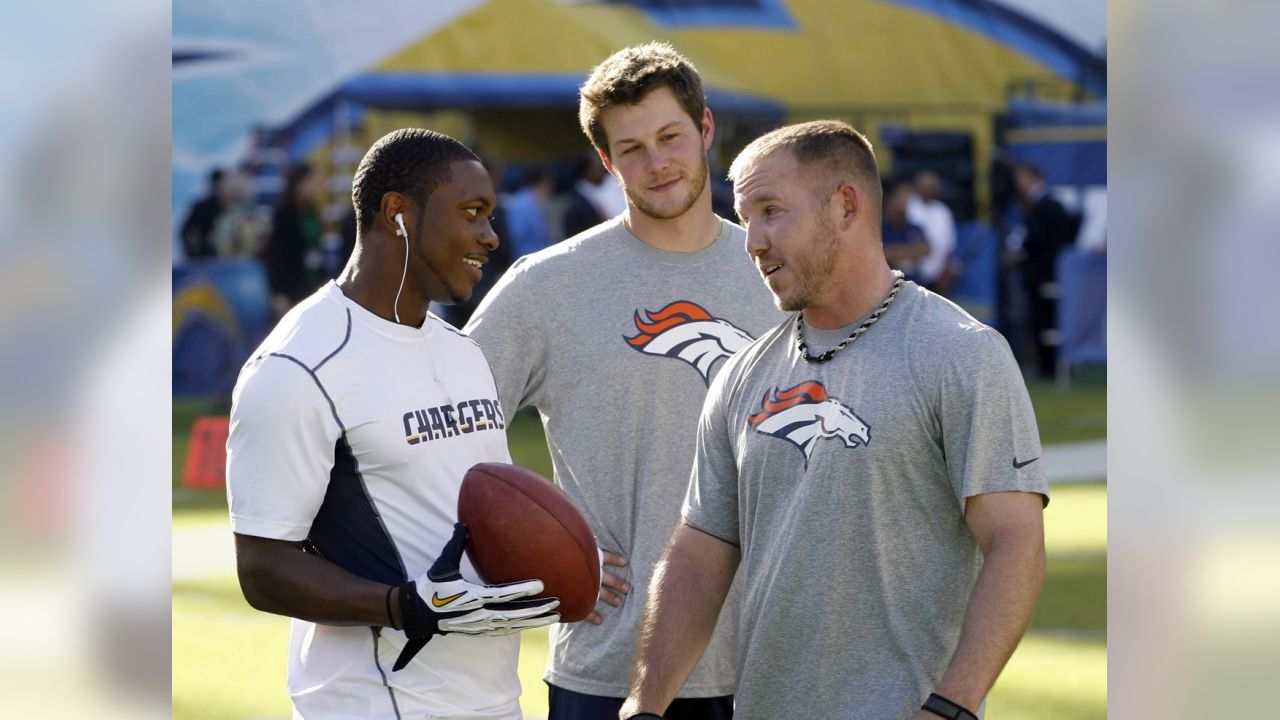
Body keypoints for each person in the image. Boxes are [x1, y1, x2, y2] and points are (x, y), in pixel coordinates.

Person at [622, 120, 1049, 720]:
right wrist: (645, 704)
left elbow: (1015, 542)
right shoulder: (743, 372)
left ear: (845, 206)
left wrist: (952, 706)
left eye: (771, 211)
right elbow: (698, 554)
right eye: (746, 220)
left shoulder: (960, 352)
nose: (753, 242)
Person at [464, 42, 783, 720]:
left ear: (705, 130)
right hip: (608, 667)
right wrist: (521, 544)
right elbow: (438, 433)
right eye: (631, 148)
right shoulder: (546, 288)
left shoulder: (781, 273)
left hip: (775, 663)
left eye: (670, 137)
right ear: (606, 161)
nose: (657, 162)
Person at [226, 128, 560, 720]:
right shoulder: (299, 367)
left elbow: (465, 515)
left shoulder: (462, 352)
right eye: (472, 213)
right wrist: (401, 606)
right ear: (398, 214)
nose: (490, 236)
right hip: (377, 702)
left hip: (491, 699)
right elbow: (262, 567)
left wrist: (550, 555)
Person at [1012, 162, 1078, 379]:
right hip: (1045, 271)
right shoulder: (1044, 204)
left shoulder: (1045, 206)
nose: (1018, 185)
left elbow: (1039, 240)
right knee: (1042, 319)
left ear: (1033, 179)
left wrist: (1022, 250)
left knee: (1044, 318)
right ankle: (1047, 365)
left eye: (1022, 179)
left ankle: (1048, 367)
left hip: (1043, 272)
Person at [262, 163, 324, 317]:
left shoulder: (312, 211)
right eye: (311, 182)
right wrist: (279, 292)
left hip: (312, 281)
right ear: (299, 184)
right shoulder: (284, 214)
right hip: (291, 284)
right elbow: (276, 255)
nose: (315, 186)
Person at [906, 169, 958, 293]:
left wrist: (946, 271)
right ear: (918, 187)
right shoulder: (909, 206)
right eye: (926, 187)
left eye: (932, 187)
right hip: (911, 274)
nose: (929, 191)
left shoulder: (943, 211)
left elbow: (949, 246)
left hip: (937, 274)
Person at [881, 175, 930, 280]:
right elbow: (881, 253)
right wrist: (911, 252)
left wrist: (895, 253)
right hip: (888, 286)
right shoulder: (879, 227)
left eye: (909, 196)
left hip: (915, 283)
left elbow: (926, 249)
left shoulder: (915, 228)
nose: (906, 201)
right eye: (902, 196)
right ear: (889, 200)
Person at [180, 167, 225, 259]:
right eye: (217, 184)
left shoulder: (233, 207)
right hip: (205, 259)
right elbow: (187, 231)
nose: (219, 188)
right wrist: (197, 253)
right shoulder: (201, 206)